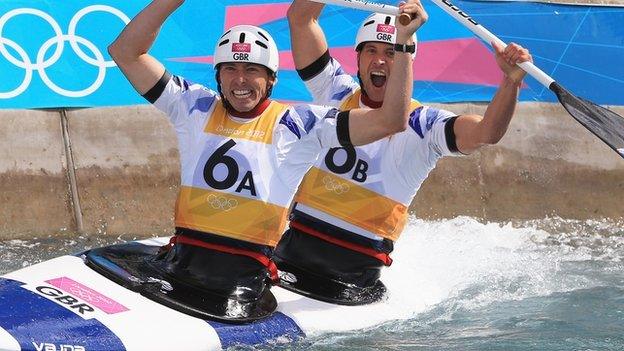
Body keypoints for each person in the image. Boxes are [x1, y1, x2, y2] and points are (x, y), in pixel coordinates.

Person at [107, 0, 424, 322]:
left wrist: (404, 45)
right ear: (218, 75)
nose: (240, 80)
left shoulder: (300, 125)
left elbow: (390, 121)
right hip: (177, 266)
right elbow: (125, 52)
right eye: (231, 68)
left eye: (252, 70)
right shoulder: (193, 107)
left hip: (236, 292)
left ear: (271, 79)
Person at [273, 0, 533, 305]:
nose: (380, 61)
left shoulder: (424, 126)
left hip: (352, 278)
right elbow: (301, 19)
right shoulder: (335, 92)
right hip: (288, 257)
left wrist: (510, 82)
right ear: (358, 59)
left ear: (406, 58)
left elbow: (487, 132)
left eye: (390, 52)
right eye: (371, 51)